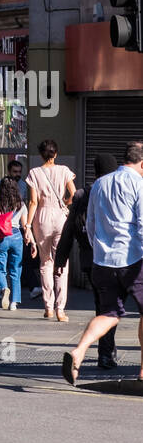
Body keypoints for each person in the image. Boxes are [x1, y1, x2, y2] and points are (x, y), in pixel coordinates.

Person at [62, 141, 143, 386]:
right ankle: (142, 372)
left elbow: (91, 225)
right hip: (132, 259)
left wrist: (98, 250)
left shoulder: (99, 184)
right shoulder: (139, 184)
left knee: (109, 313)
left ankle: (79, 350)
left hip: (102, 262)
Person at [56, 153, 118, 369]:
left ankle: (106, 349)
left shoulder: (83, 194)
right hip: (114, 259)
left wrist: (60, 259)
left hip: (89, 259)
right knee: (110, 308)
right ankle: (106, 352)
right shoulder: (116, 191)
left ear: (94, 171)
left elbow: (68, 228)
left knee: (102, 305)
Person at [26, 139, 75, 322]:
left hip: (42, 217)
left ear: (41, 154)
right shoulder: (64, 171)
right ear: (56, 154)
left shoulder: (34, 173)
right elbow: (73, 193)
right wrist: (65, 204)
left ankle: (48, 307)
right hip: (60, 217)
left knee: (45, 262)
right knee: (61, 262)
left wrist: (28, 226)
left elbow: (33, 202)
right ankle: (61, 309)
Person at [0, 173, 31, 311]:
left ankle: (3, 288)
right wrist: (29, 238)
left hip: (1, 236)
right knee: (16, 270)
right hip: (16, 236)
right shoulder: (21, 204)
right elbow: (24, 225)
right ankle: (14, 302)